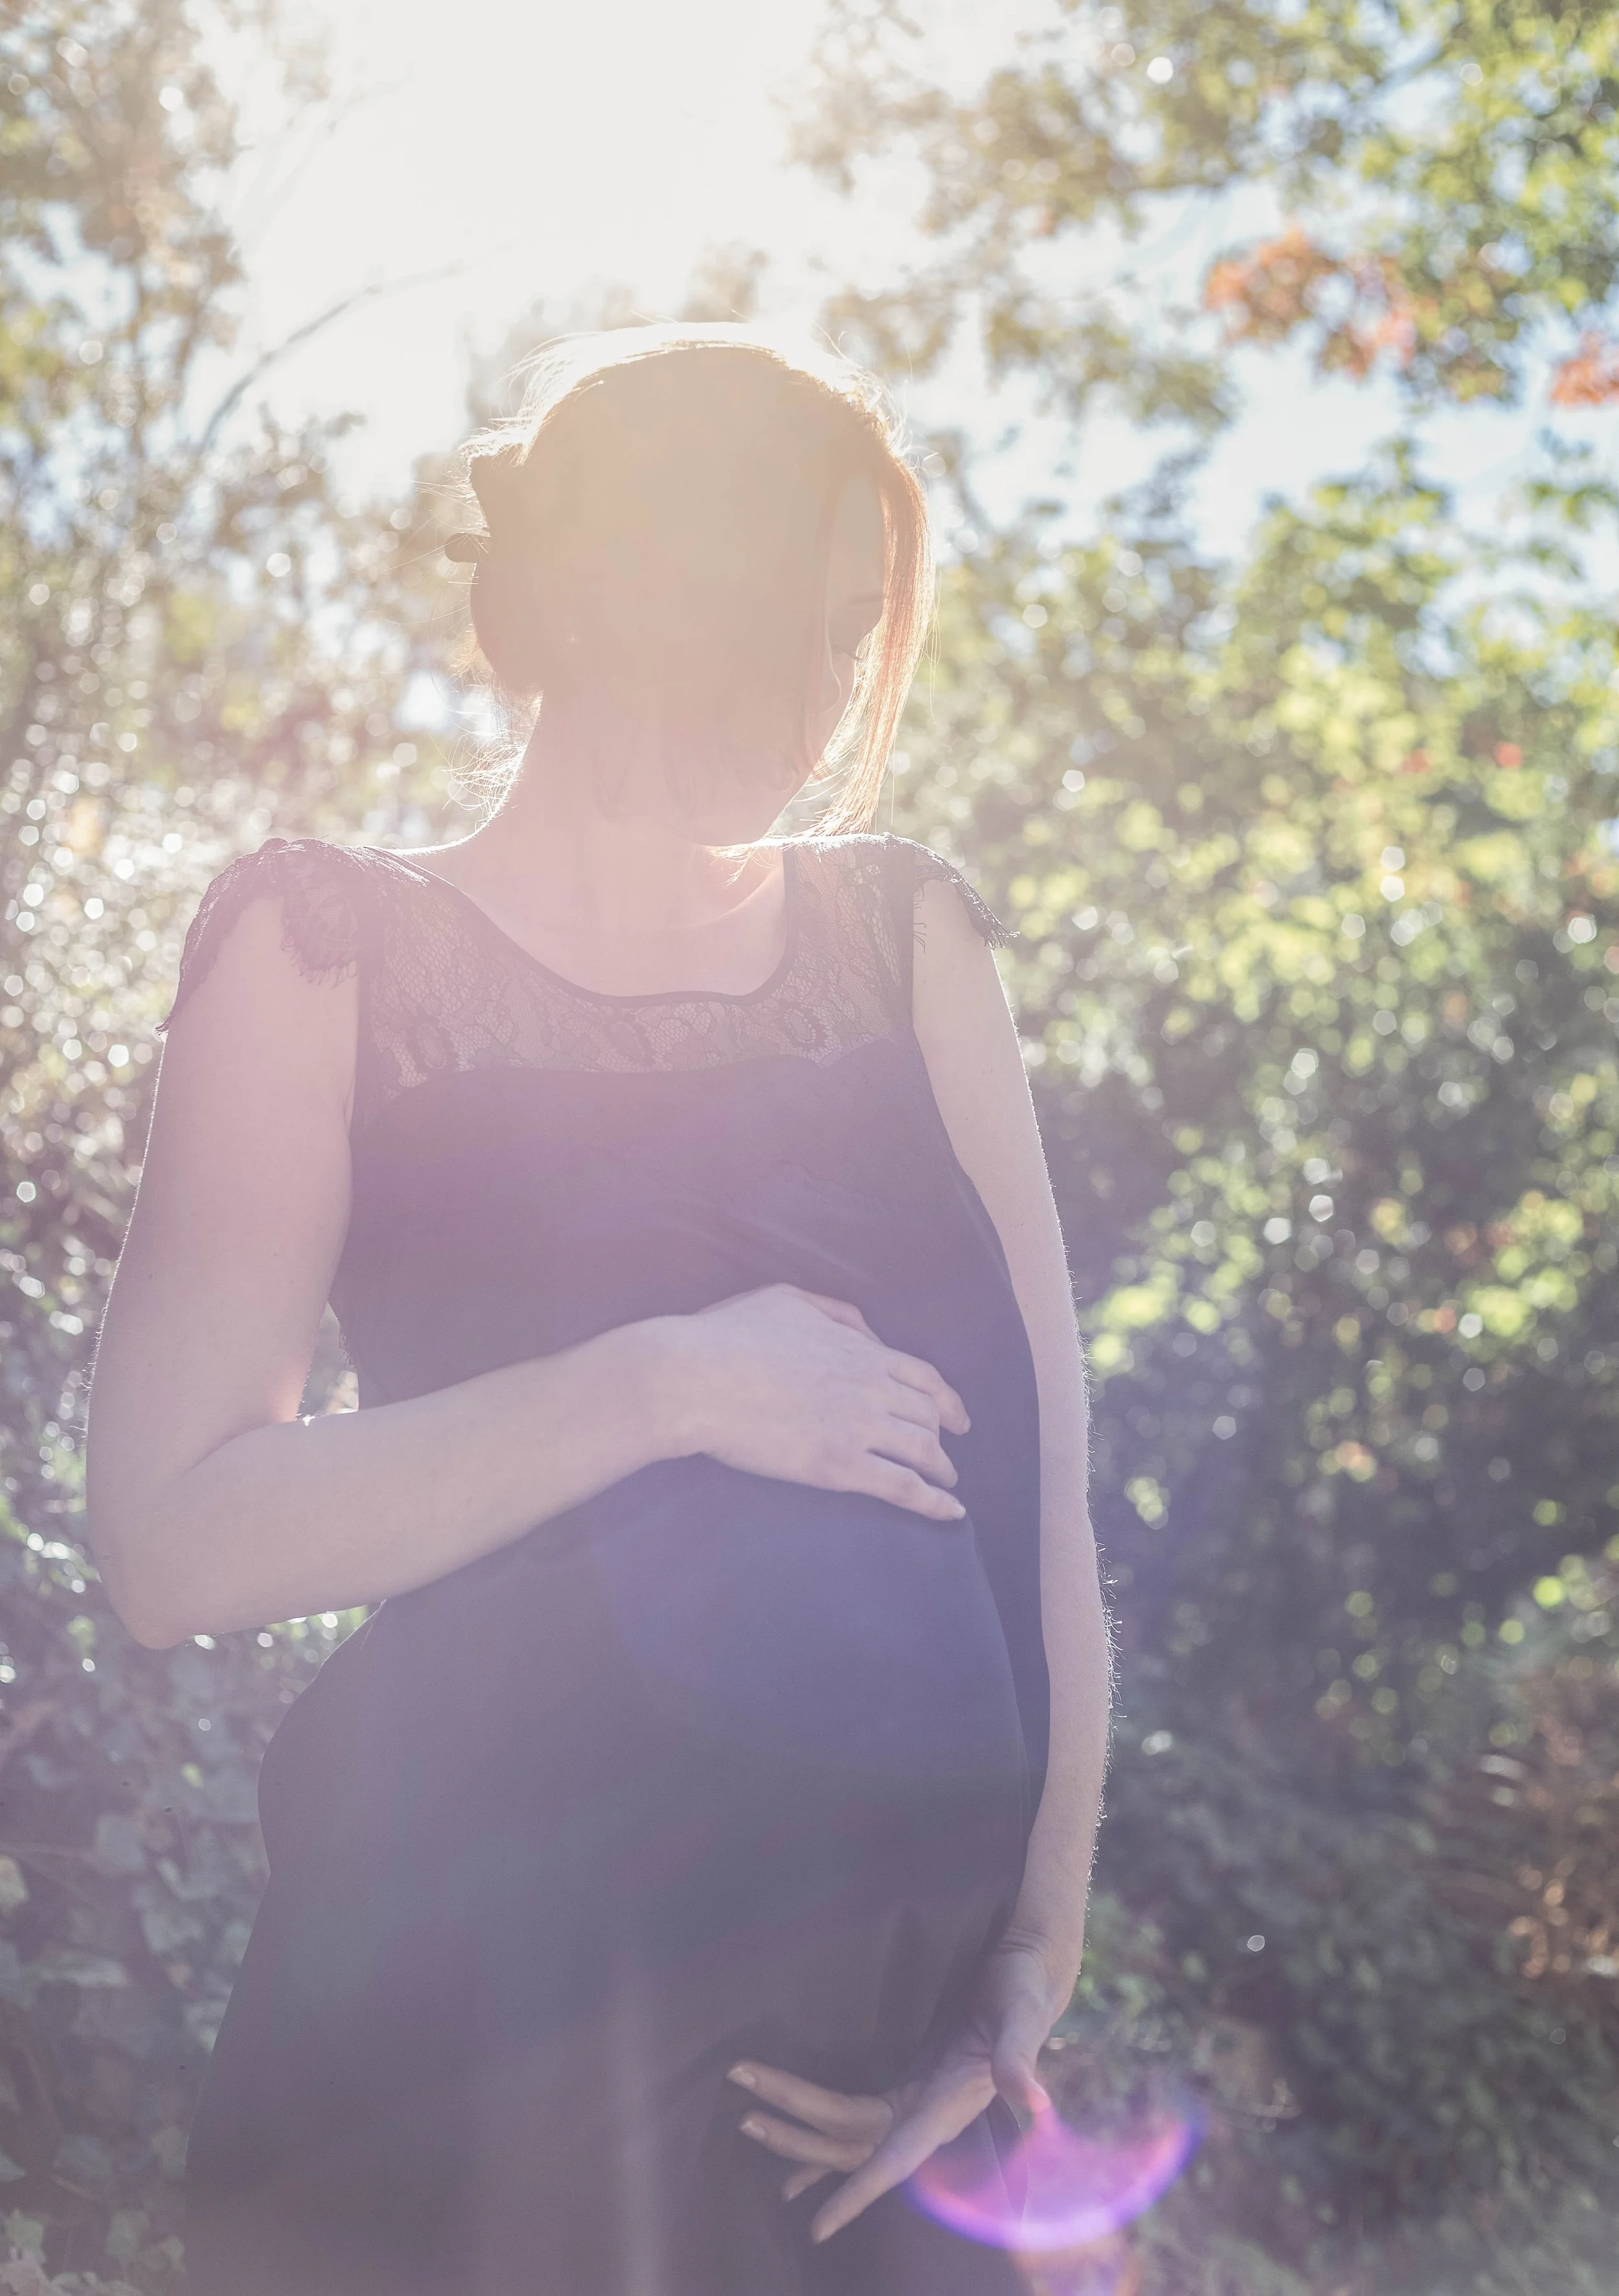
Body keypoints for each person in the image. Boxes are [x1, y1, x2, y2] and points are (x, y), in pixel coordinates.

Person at [85, 326, 1112, 2296]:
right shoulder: (322, 950)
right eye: (789, 624)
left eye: (853, 634)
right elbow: (169, 1541)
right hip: (463, 2067)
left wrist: (1026, 1955)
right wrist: (665, 1384)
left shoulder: (908, 936)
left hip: (860, 2090)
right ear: (649, 580)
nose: (830, 692)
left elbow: (1046, 1476)